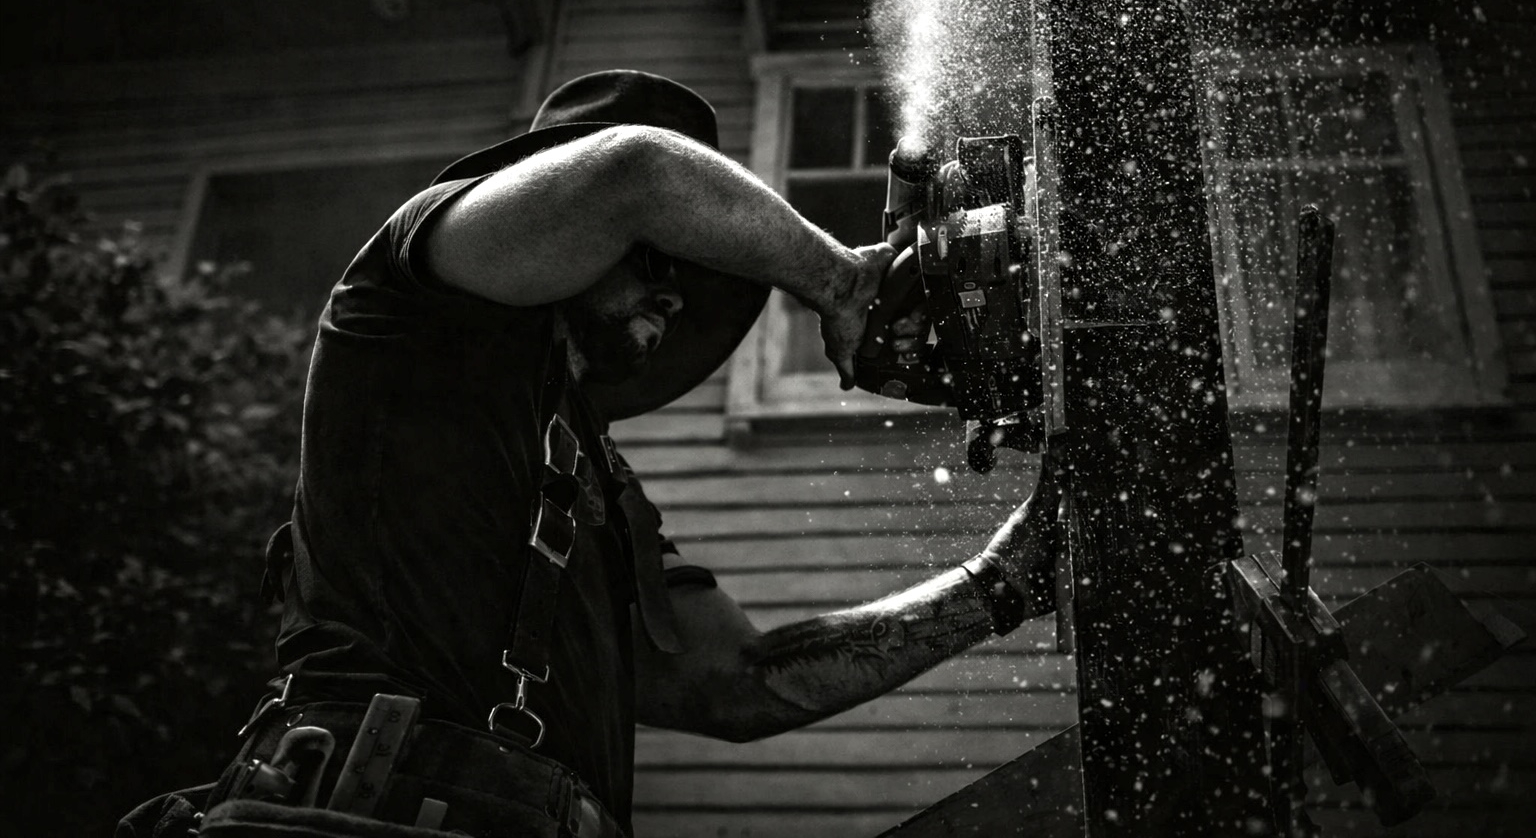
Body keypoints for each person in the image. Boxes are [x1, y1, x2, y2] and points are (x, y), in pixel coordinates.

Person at [119, 69, 1057, 838]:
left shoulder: (596, 487)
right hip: (355, 813)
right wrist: (843, 279)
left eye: (693, 270)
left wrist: (1006, 574)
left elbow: (743, 687)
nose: (679, 295)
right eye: (656, 259)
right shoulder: (406, 304)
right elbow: (637, 178)